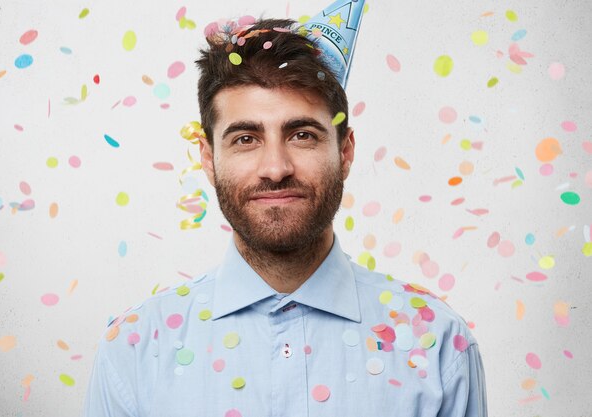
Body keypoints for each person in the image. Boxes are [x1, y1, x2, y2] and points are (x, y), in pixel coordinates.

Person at [83, 5, 487, 417]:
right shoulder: (133, 350)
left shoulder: (438, 343)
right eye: (245, 139)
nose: (275, 168)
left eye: (302, 135)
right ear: (208, 158)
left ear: (344, 151)